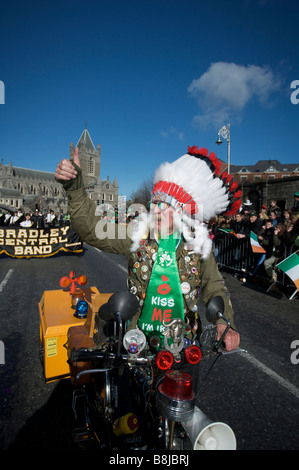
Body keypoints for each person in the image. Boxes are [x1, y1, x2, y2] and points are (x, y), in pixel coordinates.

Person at [55, 146, 241, 351]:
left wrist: (225, 322)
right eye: (154, 203)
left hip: (184, 344)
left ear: (181, 213)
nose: (155, 210)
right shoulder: (136, 234)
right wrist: (74, 187)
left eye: (164, 205)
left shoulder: (197, 243)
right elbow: (91, 229)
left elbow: (213, 283)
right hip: (136, 341)